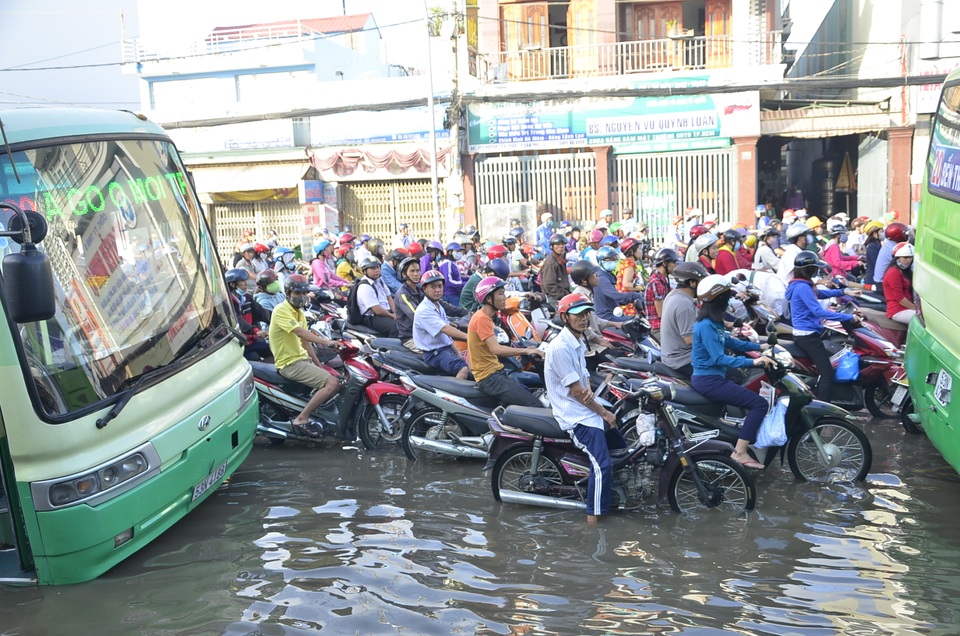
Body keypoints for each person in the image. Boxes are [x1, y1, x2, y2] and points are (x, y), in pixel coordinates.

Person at [545, 292, 626, 524]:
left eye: (586, 314)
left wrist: (589, 389)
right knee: (602, 466)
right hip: (574, 414)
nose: (584, 318)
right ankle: (593, 521)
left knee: (621, 449)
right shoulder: (560, 348)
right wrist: (604, 412)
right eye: (578, 315)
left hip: (585, 407)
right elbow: (577, 392)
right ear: (565, 317)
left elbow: (584, 378)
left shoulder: (577, 341)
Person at [691, 275, 776, 470]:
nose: (729, 301)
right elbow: (718, 358)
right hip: (709, 380)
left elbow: (730, 342)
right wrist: (754, 361)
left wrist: (759, 346)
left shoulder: (714, 323)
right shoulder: (706, 326)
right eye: (727, 297)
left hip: (713, 377)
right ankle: (740, 452)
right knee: (759, 404)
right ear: (719, 300)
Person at [268, 273, 345, 439]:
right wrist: (327, 342)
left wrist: (319, 366)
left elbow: (305, 343)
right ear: (288, 294)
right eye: (297, 293)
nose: (302, 297)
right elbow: (300, 332)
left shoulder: (300, 313)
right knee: (332, 383)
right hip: (290, 363)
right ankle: (302, 418)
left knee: (338, 378)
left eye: (304, 293)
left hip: (302, 360)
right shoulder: (281, 310)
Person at [785, 251, 862, 402]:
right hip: (807, 336)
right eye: (815, 267)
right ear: (809, 269)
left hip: (807, 333)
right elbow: (818, 311)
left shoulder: (801, 284)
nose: (817, 270)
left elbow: (819, 294)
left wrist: (844, 292)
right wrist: (849, 317)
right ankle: (823, 408)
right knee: (827, 373)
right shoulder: (802, 287)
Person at [468, 276, 543, 407]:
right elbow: (496, 349)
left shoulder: (488, 317)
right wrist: (525, 351)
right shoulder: (481, 319)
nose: (504, 298)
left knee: (532, 391)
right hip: (489, 378)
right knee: (535, 406)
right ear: (489, 299)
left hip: (497, 372)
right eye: (501, 294)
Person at [414, 270, 470, 379]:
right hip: (434, 353)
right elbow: (445, 329)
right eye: (433, 287)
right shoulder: (424, 310)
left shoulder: (438, 306)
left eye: (440, 286)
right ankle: (455, 390)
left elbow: (446, 337)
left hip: (444, 349)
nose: (437, 290)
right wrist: (469, 337)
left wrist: (458, 353)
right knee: (463, 369)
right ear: (425, 289)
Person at [659, 262, 707, 377]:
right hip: (683, 360)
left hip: (673, 357)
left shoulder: (673, 295)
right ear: (692, 283)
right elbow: (690, 339)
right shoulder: (683, 303)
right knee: (732, 373)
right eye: (701, 282)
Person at [570, 260, 620, 350]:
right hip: (590, 347)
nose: (597, 276)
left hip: (596, 341)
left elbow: (594, 320)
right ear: (584, 280)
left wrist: (616, 324)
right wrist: (600, 341)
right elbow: (583, 327)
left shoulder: (588, 293)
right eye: (593, 274)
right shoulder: (579, 297)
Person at [226, 268, 272, 361]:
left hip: (252, 340)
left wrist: (276, 318)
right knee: (254, 357)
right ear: (232, 284)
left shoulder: (247, 298)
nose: (246, 284)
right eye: (242, 281)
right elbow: (238, 321)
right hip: (239, 344)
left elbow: (262, 312)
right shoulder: (228, 303)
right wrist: (255, 330)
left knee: (273, 350)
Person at [593, 246, 645, 322]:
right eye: (610, 259)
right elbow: (616, 296)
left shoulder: (608, 275)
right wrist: (635, 296)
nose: (614, 261)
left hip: (613, 313)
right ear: (601, 261)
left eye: (615, 258)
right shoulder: (602, 278)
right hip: (605, 317)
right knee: (636, 322)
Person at [355, 257, 399, 336]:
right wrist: (392, 316)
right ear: (365, 271)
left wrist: (394, 312)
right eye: (372, 268)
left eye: (378, 267)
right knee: (395, 328)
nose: (376, 270)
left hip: (386, 312)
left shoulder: (379, 280)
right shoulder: (365, 286)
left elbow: (388, 297)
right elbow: (377, 310)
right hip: (372, 317)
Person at [644, 248, 677, 342]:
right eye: (674, 263)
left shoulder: (662, 279)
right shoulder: (657, 282)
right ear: (664, 264)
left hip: (662, 325)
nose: (675, 266)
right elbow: (661, 313)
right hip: (658, 328)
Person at [882, 242, 917, 324]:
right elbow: (900, 299)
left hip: (906, 307)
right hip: (898, 310)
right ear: (897, 258)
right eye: (905, 257)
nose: (908, 260)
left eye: (910, 257)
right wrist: (916, 309)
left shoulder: (903, 271)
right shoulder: (894, 273)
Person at [615, 237, 645, 318]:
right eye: (639, 249)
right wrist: (643, 288)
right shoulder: (629, 264)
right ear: (631, 252)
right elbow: (626, 284)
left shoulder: (627, 262)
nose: (641, 251)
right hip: (628, 304)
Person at [540, 234, 571, 305]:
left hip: (562, 295)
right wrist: (563, 296)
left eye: (562, 244)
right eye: (557, 244)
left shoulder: (560, 258)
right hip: (554, 298)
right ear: (552, 246)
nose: (561, 246)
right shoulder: (551, 263)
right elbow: (549, 286)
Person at [861, 220, 885, 288]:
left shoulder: (877, 244)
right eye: (881, 231)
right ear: (874, 234)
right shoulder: (872, 246)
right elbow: (877, 264)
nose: (883, 233)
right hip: (872, 282)